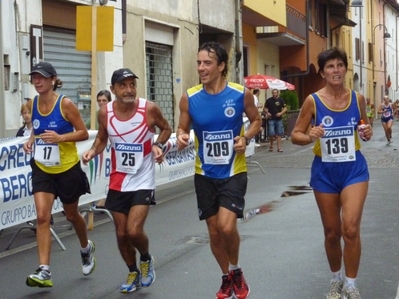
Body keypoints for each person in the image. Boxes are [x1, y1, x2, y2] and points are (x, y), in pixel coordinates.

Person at [176, 41, 261, 299]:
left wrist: (245, 138)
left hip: (233, 170)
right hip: (204, 173)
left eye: (207, 63)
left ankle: (235, 269)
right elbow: (182, 127)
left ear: (221, 66)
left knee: (226, 226)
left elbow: (257, 120)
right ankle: (226, 277)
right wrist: (181, 136)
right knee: (213, 230)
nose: (201, 68)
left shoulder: (239, 93)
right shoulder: (189, 97)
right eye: (199, 62)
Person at [291, 47, 372, 299]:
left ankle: (351, 284)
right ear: (323, 72)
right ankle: (336, 278)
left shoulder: (357, 98)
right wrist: (309, 136)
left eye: (339, 65)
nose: (336, 71)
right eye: (330, 67)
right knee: (331, 232)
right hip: (324, 171)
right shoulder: (312, 101)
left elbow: (363, 127)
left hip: (353, 169)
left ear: (345, 68)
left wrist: (366, 133)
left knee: (350, 229)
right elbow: (296, 135)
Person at [82, 68, 172, 293]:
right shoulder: (105, 113)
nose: (129, 89)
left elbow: (166, 129)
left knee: (133, 231)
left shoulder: (148, 109)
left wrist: (158, 145)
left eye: (132, 84)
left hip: (143, 179)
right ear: (113, 90)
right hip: (117, 181)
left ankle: (145, 258)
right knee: (121, 233)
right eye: (123, 85)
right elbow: (102, 139)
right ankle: (132, 271)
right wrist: (93, 151)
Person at [23, 62, 96, 288]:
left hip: (67, 168)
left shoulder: (65, 104)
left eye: (42, 77)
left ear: (53, 79)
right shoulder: (32, 103)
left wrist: (61, 138)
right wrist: (31, 139)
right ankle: (44, 270)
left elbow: (83, 132)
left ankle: (86, 247)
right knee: (42, 216)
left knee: (72, 215)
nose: (37, 81)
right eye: (34, 77)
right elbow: (37, 128)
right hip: (43, 168)